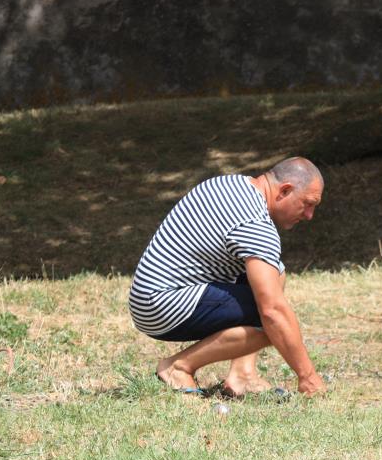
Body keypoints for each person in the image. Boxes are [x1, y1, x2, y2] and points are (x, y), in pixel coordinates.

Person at [129, 157, 326, 397]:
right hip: (163, 306)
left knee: (276, 273)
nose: (309, 215)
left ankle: (243, 374)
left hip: (146, 297)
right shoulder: (255, 224)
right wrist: (308, 377)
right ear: (284, 190)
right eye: (307, 204)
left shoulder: (231, 184)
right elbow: (272, 311)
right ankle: (178, 367)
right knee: (272, 321)